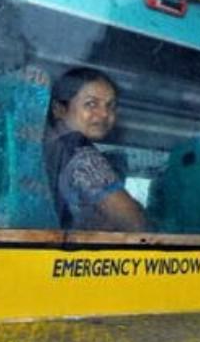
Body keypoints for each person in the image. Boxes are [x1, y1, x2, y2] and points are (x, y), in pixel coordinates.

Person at [43, 67, 147, 232]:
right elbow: (136, 224)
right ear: (59, 109)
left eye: (111, 106)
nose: (105, 114)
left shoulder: (44, 149)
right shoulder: (80, 152)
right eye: (91, 104)